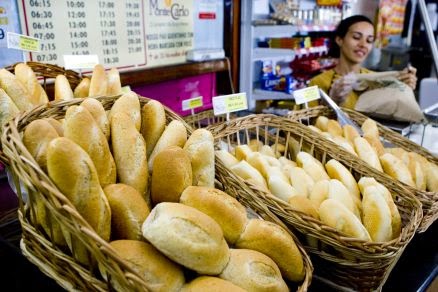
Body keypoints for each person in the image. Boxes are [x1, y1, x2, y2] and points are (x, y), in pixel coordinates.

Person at [309, 15, 418, 109]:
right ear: (339, 40)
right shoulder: (316, 83)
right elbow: (303, 124)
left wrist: (404, 88)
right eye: (356, 37)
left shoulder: (376, 80)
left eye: (369, 40)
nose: (363, 44)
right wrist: (331, 101)